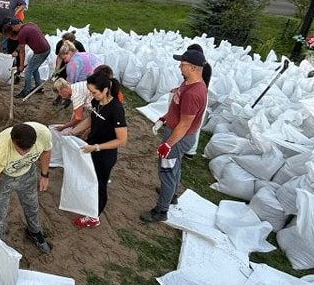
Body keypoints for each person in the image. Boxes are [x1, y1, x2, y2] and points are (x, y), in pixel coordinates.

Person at [141, 50, 207, 223]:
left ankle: (161, 210)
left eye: (183, 64)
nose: (180, 66)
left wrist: (168, 144)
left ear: (193, 67)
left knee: (167, 171)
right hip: (175, 132)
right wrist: (165, 118)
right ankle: (171, 195)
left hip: (178, 137)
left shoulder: (194, 93)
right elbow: (177, 109)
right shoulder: (188, 84)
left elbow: (185, 124)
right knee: (174, 167)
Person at [0, 122, 52, 254]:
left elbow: (46, 151)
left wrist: (44, 175)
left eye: (27, 150)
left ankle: (34, 232)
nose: (23, 153)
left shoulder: (43, 134)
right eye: (19, 149)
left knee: (32, 206)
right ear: (12, 141)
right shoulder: (0, 149)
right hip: (4, 178)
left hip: (28, 174)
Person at [68, 72, 128, 228]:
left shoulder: (116, 109)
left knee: (99, 185)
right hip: (91, 147)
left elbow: (122, 140)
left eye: (94, 92)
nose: (91, 95)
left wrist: (96, 147)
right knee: (89, 179)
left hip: (104, 154)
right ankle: (87, 204)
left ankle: (94, 216)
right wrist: (72, 132)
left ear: (105, 90)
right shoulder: (96, 102)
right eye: (90, 91)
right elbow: (90, 119)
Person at [2, 18, 51, 99]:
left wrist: (21, 65)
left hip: (40, 52)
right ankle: (39, 87)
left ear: (17, 25)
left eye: (13, 27)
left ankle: (26, 91)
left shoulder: (22, 33)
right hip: (46, 48)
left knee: (28, 71)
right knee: (34, 68)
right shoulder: (30, 24)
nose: (13, 29)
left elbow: (22, 51)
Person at [182, 44, 212, 159]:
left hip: (197, 97)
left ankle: (190, 150)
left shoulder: (202, 68)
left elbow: (192, 82)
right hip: (200, 96)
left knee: (193, 124)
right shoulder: (204, 66)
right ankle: (188, 149)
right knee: (192, 124)